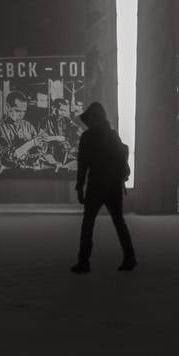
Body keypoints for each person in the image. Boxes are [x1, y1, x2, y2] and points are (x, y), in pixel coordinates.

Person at [71, 102, 136, 273]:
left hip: (96, 185)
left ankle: (84, 261)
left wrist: (79, 187)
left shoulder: (87, 137)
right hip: (113, 186)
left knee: (88, 223)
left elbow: (83, 164)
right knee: (119, 222)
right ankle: (130, 258)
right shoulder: (112, 135)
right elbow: (121, 159)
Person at [0, 91, 54, 173]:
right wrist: (31, 143)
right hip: (10, 173)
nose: (21, 115)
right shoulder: (1, 129)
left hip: (28, 170)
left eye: (24, 111)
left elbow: (39, 151)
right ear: (7, 107)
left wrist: (42, 144)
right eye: (17, 111)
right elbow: (8, 158)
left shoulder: (28, 126)